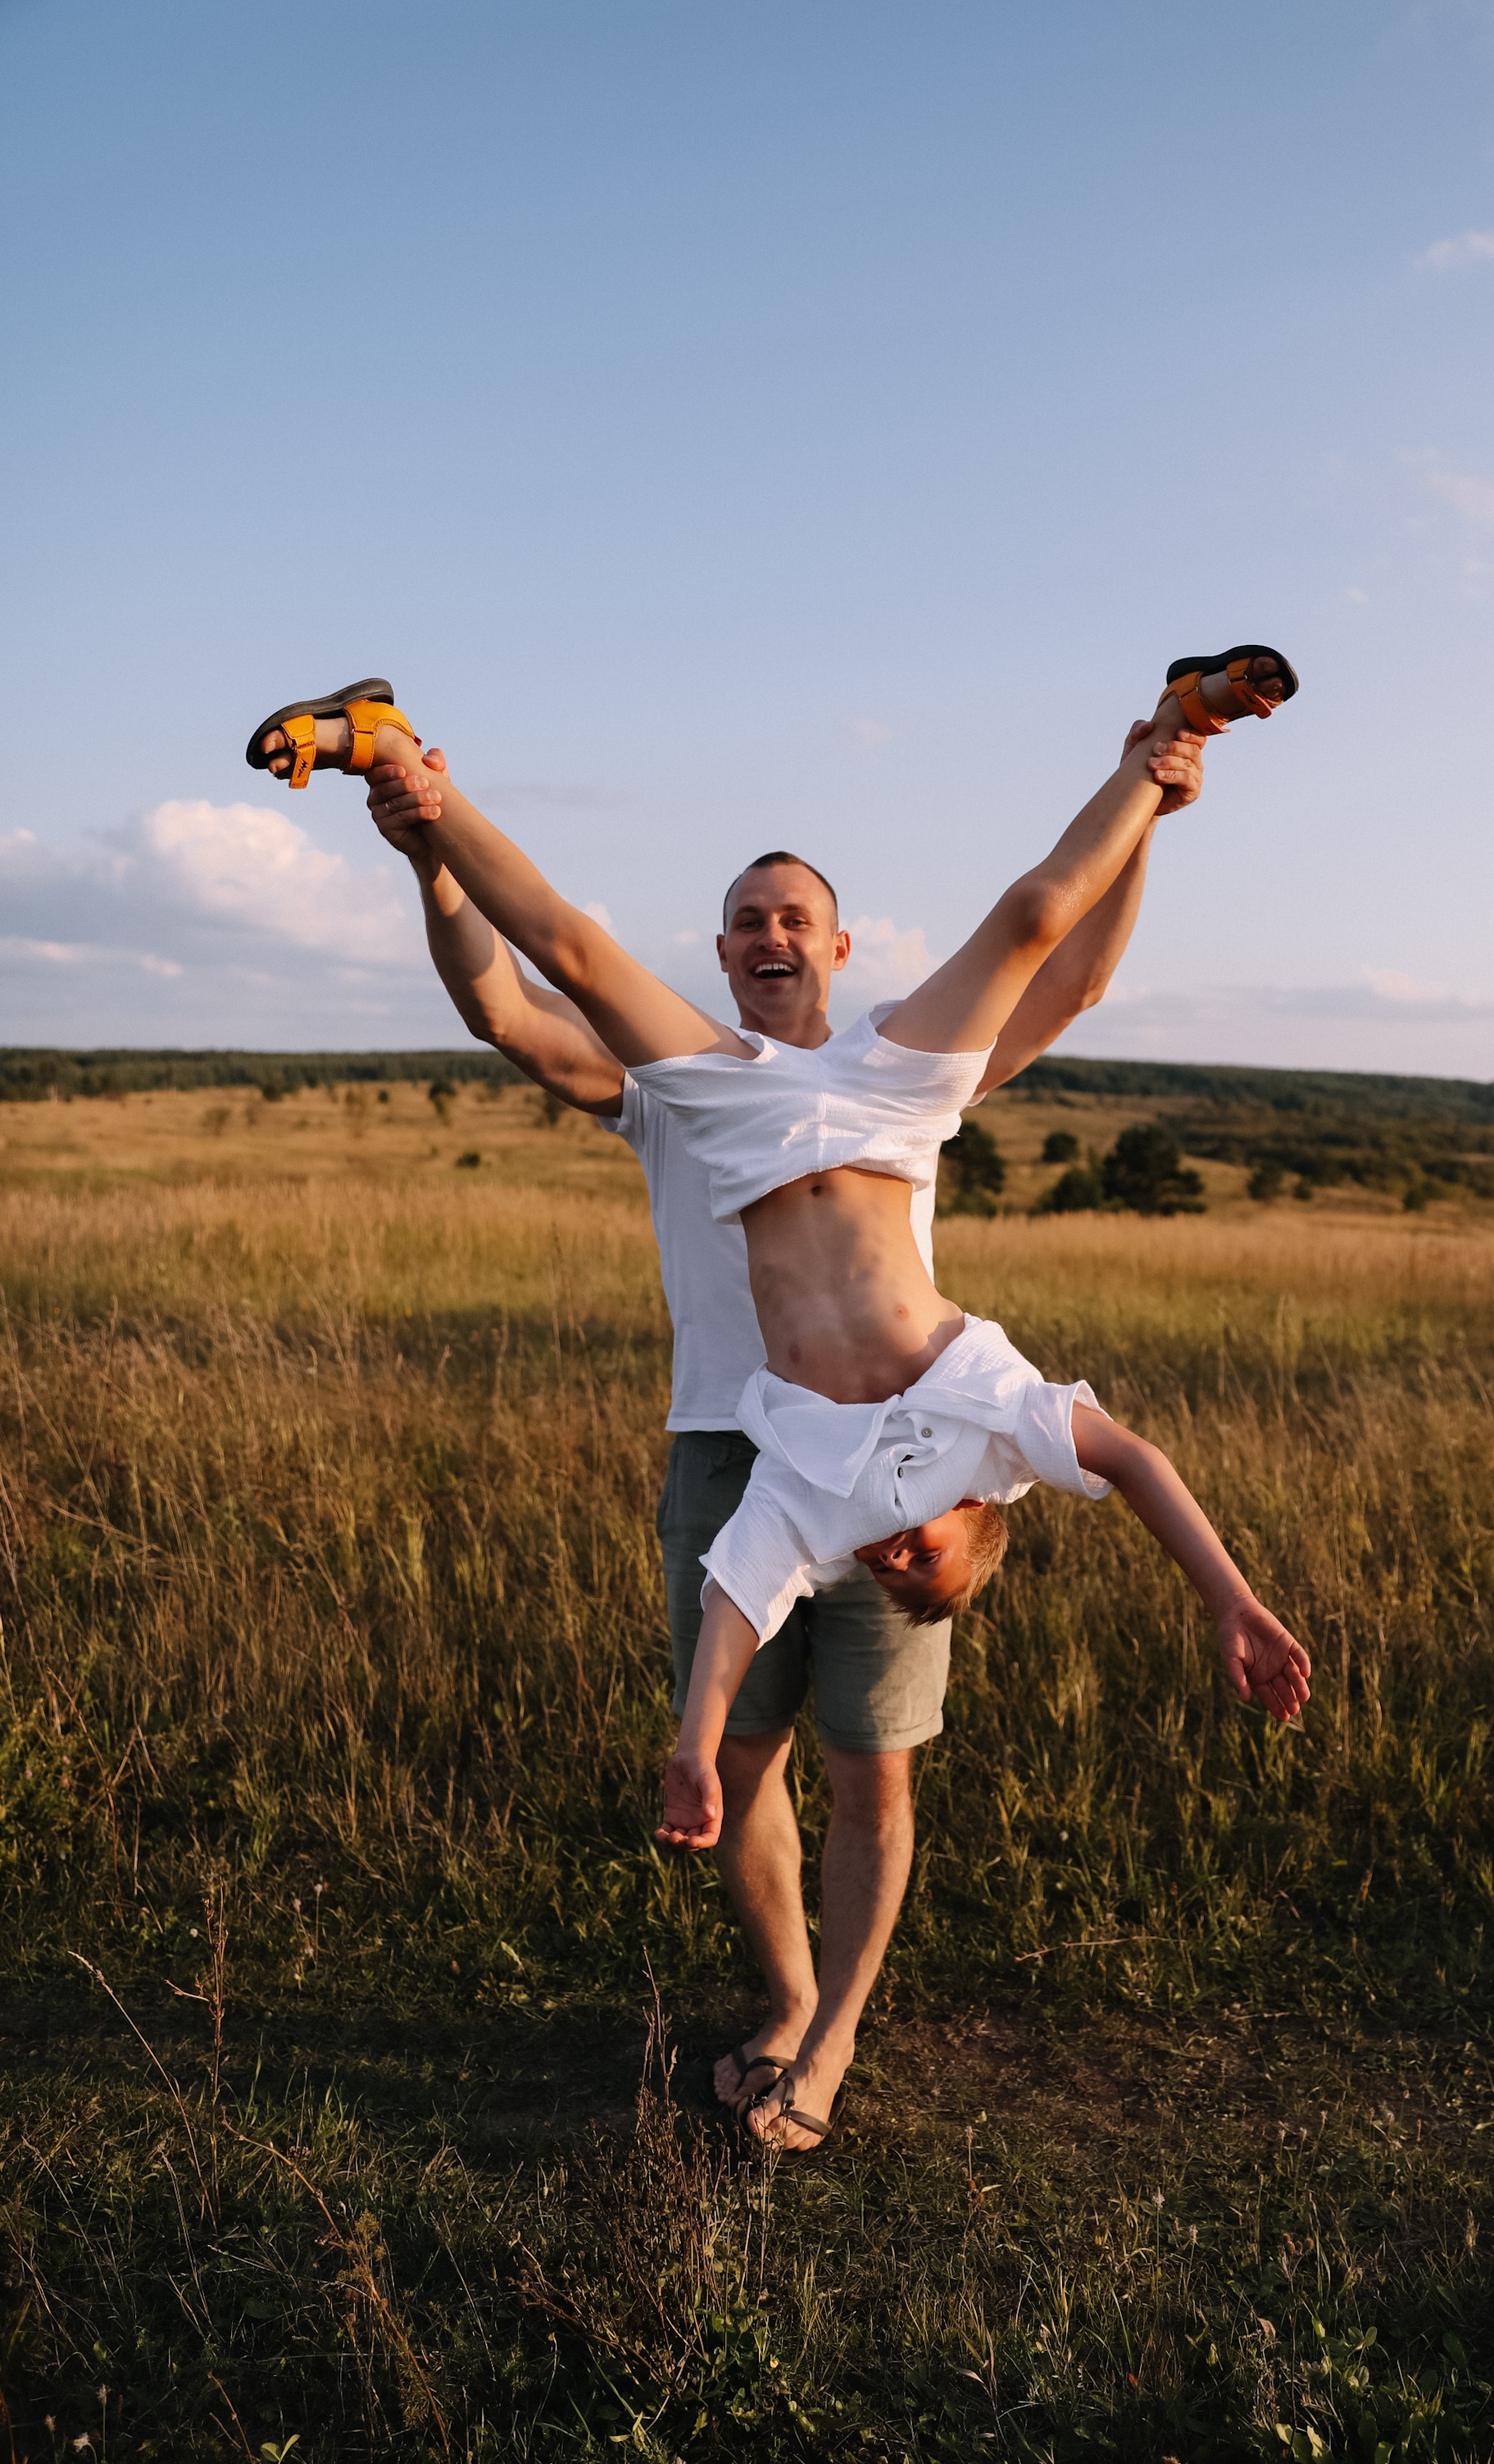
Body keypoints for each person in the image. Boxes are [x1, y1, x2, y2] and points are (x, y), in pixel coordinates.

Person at [247, 651, 1309, 2148]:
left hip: (856, 1214)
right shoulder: (690, 1090)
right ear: (726, 947)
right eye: (746, 918)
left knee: (870, 1777)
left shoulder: (897, 1130)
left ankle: (834, 2032)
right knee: (596, 949)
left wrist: (1153, 804)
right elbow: (515, 996)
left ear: (835, 943)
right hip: (727, 1400)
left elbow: (1069, 972)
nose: (768, 933)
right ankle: (399, 759)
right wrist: (427, 853)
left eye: (792, 916)